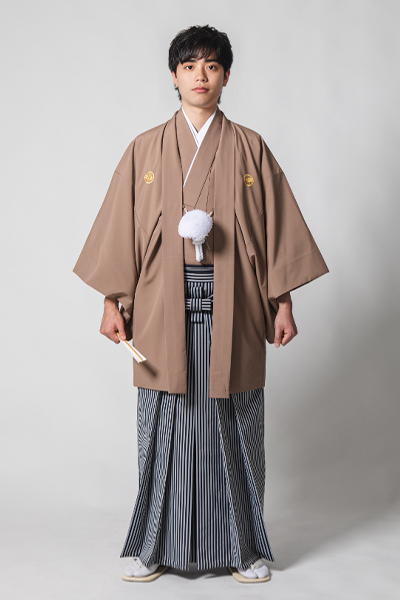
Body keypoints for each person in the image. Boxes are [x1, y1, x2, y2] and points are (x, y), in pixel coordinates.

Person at [73, 25, 328, 584]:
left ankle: (244, 549)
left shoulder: (250, 147)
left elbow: (275, 231)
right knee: (163, 421)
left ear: (227, 75)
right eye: (189, 66)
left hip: (234, 303)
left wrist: (282, 302)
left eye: (212, 66)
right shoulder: (145, 148)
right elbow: (121, 230)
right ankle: (152, 547)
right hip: (159, 303)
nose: (200, 76)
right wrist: (112, 300)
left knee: (234, 419)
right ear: (174, 75)